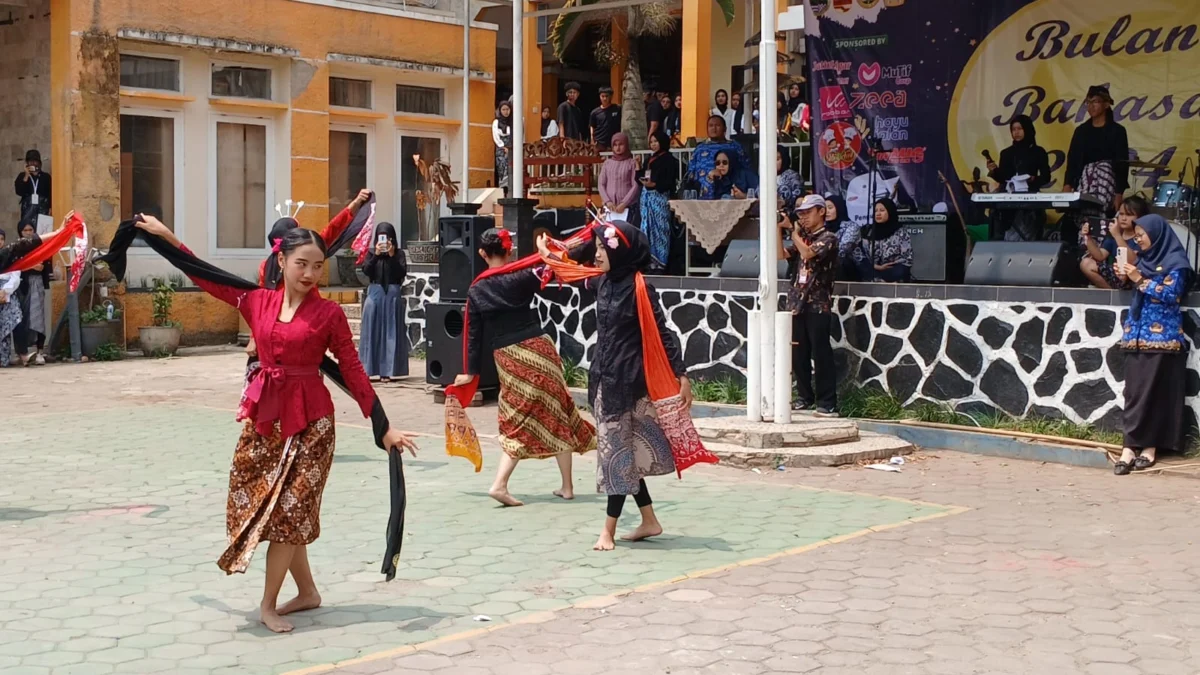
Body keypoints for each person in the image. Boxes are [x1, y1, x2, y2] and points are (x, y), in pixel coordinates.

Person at [132, 214, 418, 633]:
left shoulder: (328, 315)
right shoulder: (256, 301)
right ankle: (308, 593)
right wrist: (165, 237)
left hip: (313, 424)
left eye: (318, 265)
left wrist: (383, 426)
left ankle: (268, 604)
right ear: (281, 262)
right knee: (272, 509)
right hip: (265, 420)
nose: (310, 273)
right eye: (302, 263)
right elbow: (205, 274)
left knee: (290, 510)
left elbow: (354, 370)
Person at [535, 221, 698, 551]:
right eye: (596, 248)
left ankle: (607, 531)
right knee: (627, 455)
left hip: (628, 384)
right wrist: (559, 249)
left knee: (616, 456)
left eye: (603, 248)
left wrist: (681, 375)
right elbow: (571, 267)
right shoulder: (602, 283)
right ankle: (650, 521)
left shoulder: (640, 288)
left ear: (619, 252)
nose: (596, 253)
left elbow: (663, 333)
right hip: (603, 379)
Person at [452, 228, 597, 505]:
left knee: (517, 416)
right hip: (538, 351)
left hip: (506, 357)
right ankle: (532, 485)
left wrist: (469, 371)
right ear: (509, 251)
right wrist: (587, 237)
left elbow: (472, 334)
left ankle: (544, 486)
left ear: (483, 254)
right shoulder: (522, 276)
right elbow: (559, 260)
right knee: (559, 409)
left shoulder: (477, 288)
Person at [1113, 214, 1192, 475]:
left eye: (1141, 235)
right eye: (1135, 236)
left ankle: (1149, 447)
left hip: (1162, 339)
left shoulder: (1176, 263)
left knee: (1154, 395)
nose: (1138, 240)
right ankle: (1129, 446)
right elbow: (1135, 285)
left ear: (1156, 234)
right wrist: (1125, 276)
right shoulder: (1144, 261)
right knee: (1134, 394)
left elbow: (1171, 295)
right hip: (1136, 335)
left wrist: (1138, 278)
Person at [780, 195, 839, 416]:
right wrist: (780, 230)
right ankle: (804, 397)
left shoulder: (829, 237)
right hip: (797, 303)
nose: (803, 217)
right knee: (799, 353)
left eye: (807, 212)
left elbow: (808, 252)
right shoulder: (801, 238)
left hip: (818, 304)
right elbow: (780, 254)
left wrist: (792, 232)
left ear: (821, 212)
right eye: (800, 214)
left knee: (820, 353)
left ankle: (828, 402)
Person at [1064, 85, 1129, 214]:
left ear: (1106, 104)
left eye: (1096, 101)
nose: (1091, 106)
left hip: (1108, 183)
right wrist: (1067, 185)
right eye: (1088, 102)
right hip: (1084, 183)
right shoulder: (1081, 131)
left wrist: (1119, 193)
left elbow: (1122, 164)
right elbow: (1072, 160)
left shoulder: (1117, 131)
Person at [986, 115, 1051, 241]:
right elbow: (1003, 178)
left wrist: (1033, 179)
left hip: (1030, 201)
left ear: (1027, 129)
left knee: (1030, 234)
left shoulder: (1038, 152)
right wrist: (994, 171)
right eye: (1013, 129)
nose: (1016, 132)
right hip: (1009, 202)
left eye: (1020, 128)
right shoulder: (1006, 153)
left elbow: (1046, 177)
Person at [359, 222, 408, 382]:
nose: (384, 241)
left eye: (388, 238)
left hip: (392, 296)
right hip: (375, 295)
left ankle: (387, 371)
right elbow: (366, 271)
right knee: (372, 332)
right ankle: (368, 369)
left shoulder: (399, 254)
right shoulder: (371, 253)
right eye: (382, 237)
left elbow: (401, 273)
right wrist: (376, 255)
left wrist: (392, 255)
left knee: (391, 332)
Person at [1080, 195, 1148, 290]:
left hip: (1137, 276)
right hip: (1118, 275)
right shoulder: (1115, 233)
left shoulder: (1143, 236)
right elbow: (1100, 256)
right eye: (1121, 214)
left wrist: (1117, 236)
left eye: (1129, 215)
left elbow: (1134, 261)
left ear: (1140, 217)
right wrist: (1088, 237)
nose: (1123, 218)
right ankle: (1112, 293)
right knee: (1086, 263)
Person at [639, 130, 678, 270]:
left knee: (661, 230)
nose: (653, 144)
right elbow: (641, 178)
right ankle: (648, 261)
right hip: (647, 198)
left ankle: (661, 262)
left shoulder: (669, 159)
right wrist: (639, 172)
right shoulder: (648, 159)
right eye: (651, 142)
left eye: (656, 141)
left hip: (659, 198)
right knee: (647, 229)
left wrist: (655, 185)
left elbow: (669, 181)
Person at [686, 115, 752, 199]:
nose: (714, 128)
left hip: (728, 194)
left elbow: (746, 168)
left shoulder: (735, 146)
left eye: (717, 125)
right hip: (703, 194)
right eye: (710, 126)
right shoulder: (699, 149)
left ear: (725, 129)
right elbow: (691, 172)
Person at [13, 220, 51, 366]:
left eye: (31, 230)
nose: (28, 233)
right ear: (20, 232)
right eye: (25, 230)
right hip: (22, 286)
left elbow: (43, 266)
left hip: (37, 285)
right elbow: (16, 266)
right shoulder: (16, 248)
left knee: (38, 317)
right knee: (22, 319)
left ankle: (40, 351)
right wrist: (30, 266)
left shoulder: (39, 246)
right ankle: (23, 353)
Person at [857, 197, 912, 282]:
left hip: (891, 269)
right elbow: (859, 254)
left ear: (890, 211)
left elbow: (907, 258)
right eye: (876, 211)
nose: (878, 214)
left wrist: (891, 265)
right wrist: (876, 266)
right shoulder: (867, 231)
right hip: (872, 268)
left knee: (900, 270)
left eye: (882, 210)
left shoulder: (901, 232)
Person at [598, 133, 640, 222]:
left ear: (626, 145)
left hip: (628, 208)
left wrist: (624, 203)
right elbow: (601, 184)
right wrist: (607, 201)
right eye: (615, 145)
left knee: (625, 234)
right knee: (609, 234)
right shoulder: (607, 163)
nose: (618, 148)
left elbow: (635, 185)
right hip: (610, 208)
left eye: (621, 144)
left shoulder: (631, 163)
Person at [823, 194, 862, 280]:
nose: (827, 212)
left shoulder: (852, 226)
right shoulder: (823, 227)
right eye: (824, 209)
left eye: (830, 208)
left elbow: (842, 250)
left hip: (850, 267)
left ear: (839, 208)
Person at [14, 149, 51, 221]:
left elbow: (50, 193)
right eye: (30, 161)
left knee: (43, 231)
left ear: (39, 162)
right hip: (28, 209)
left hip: (43, 209)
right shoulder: (22, 176)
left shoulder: (46, 177)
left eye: (35, 161)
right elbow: (19, 192)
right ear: (27, 163)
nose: (32, 163)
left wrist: (50, 207)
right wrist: (26, 176)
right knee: (28, 230)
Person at [590, 87, 622, 152]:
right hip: (599, 143)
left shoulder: (617, 109)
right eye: (602, 96)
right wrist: (592, 139)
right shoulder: (595, 112)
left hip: (614, 143)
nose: (604, 98)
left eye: (606, 96)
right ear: (600, 96)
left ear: (610, 96)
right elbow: (592, 126)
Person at [0, 263, 20, 368]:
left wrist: (5, 291)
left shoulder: (11, 256)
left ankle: (3, 358)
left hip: (7, 293)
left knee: (5, 326)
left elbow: (15, 278)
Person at [776, 145, 804, 211]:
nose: (773, 162)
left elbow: (798, 196)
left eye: (777, 159)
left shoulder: (792, 176)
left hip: (787, 212)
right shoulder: (765, 177)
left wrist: (783, 202)